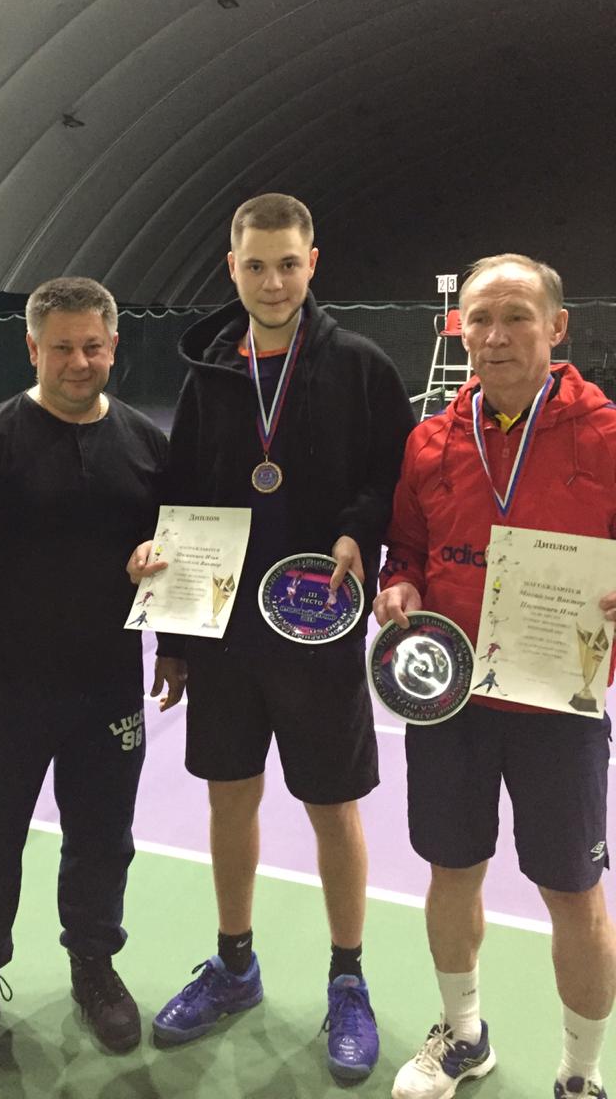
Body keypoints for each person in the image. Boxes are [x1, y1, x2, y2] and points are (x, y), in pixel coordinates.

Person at [128, 193, 414, 1080]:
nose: (274, 281)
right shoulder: (210, 374)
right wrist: (174, 639)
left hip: (318, 627)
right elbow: (182, 497)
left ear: (312, 263)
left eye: (288, 264)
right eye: (256, 265)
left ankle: (348, 979)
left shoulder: (361, 366)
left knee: (333, 807)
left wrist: (358, 533)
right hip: (222, 634)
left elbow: (393, 478)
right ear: (233, 268)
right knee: (230, 798)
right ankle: (235, 965)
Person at [374, 253, 616, 1099]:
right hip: (451, 704)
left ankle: (580, 1074)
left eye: (516, 316)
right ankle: (464, 1036)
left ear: (557, 327)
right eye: (480, 318)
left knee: (574, 894)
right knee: (451, 874)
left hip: (559, 704)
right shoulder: (430, 440)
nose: (496, 335)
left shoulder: (607, 434)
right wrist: (398, 587)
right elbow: (405, 551)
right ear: (460, 330)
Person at [0, 277, 167, 1079]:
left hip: (108, 689)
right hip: (3, 693)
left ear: (113, 346)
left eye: (92, 346)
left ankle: (93, 968)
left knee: (102, 842)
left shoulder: (144, 443)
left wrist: (171, 629)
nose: (78, 362)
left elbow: (173, 552)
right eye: (61, 347)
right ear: (33, 348)